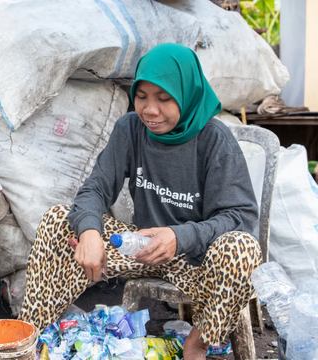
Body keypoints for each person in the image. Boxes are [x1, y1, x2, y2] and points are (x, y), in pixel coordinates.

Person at [19, 43, 262, 360]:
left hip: (196, 263)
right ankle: (30, 340)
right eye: (142, 96)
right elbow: (96, 189)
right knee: (58, 220)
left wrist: (179, 236)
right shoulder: (130, 129)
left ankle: (200, 341)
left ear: (187, 94)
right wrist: (90, 232)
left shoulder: (214, 140)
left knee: (242, 250)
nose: (149, 109)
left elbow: (240, 218)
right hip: (139, 247)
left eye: (164, 98)